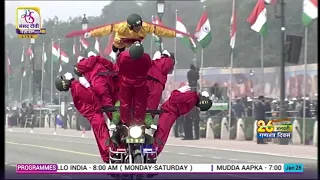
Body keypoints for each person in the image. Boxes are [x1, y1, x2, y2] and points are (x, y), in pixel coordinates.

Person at [54, 73, 113, 163]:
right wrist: (87, 86)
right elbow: (92, 98)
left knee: (101, 140)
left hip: (94, 117)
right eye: (64, 78)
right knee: (104, 139)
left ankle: (108, 160)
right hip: (96, 116)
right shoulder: (76, 87)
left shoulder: (74, 88)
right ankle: (112, 159)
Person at [152, 85, 212, 160]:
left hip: (168, 112)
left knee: (161, 135)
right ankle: (152, 154)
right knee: (161, 136)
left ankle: (152, 154)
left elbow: (173, 98)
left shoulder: (193, 96)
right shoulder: (193, 101)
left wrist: (178, 91)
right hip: (169, 114)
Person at [83, 14, 179, 58]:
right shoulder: (121, 27)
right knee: (117, 49)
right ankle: (117, 50)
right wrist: (91, 33)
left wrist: (174, 34)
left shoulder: (145, 27)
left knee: (137, 51)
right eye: (136, 27)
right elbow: (105, 30)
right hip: (121, 41)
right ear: (130, 26)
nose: (139, 28)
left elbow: (160, 31)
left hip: (135, 43)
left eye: (140, 26)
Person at [116, 42, 152, 126]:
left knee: (125, 103)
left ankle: (125, 122)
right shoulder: (146, 58)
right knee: (140, 104)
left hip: (125, 83)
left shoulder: (123, 56)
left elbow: (118, 65)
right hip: (140, 83)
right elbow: (148, 66)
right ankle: (138, 122)